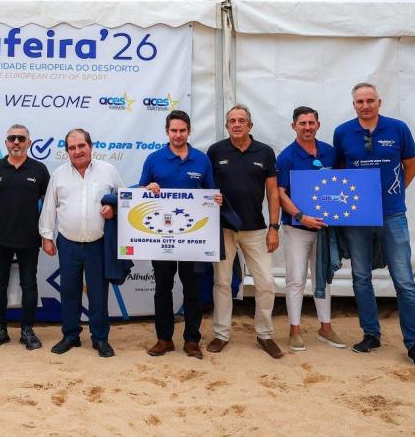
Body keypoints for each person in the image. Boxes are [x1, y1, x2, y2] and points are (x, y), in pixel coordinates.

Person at [333, 83, 415, 368]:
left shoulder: (398, 128)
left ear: (379, 102)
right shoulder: (343, 132)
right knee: (361, 277)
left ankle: (414, 343)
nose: (365, 105)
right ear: (354, 105)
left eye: (370, 100)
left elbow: (411, 165)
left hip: (392, 214)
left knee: (403, 281)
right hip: (358, 216)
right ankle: (371, 334)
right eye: (360, 101)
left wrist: (396, 191)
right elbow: (340, 171)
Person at [140, 110, 222, 360]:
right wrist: (149, 188)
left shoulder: (201, 160)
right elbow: (142, 191)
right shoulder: (154, 159)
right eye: (174, 130)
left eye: (182, 130)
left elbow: (210, 193)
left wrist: (216, 198)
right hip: (162, 239)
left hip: (193, 240)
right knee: (162, 288)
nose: (178, 135)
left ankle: (192, 340)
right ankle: (164, 339)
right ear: (167, 132)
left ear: (189, 131)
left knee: (193, 289)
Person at [206, 104, 283, 359]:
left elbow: (273, 192)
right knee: (223, 282)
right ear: (227, 126)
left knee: (265, 284)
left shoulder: (265, 152)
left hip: (256, 230)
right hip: (223, 228)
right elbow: (207, 189)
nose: (236, 124)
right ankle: (221, 334)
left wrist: (274, 227)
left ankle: (265, 334)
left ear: (250, 125)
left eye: (241, 120)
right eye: (232, 121)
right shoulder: (216, 151)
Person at [39, 128, 123, 358]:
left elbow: (124, 200)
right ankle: (70, 336)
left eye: (81, 146)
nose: (77, 151)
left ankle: (100, 339)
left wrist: (113, 208)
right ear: (67, 151)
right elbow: (49, 206)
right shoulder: (58, 175)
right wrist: (46, 236)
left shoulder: (109, 171)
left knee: (98, 294)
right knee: (69, 292)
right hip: (67, 243)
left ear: (90, 146)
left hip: (98, 244)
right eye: (72, 148)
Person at [276, 106, 346, 352]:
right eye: (302, 123)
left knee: (323, 278)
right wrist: (300, 216)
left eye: (311, 123)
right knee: (295, 280)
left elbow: (341, 184)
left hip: (325, 229)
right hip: (297, 228)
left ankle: (325, 328)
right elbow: (280, 193)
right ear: (293, 126)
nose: (307, 127)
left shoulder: (329, 152)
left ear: (318, 124)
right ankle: (294, 330)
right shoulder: (286, 157)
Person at [0, 125, 50, 350]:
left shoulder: (39, 170)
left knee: (29, 285)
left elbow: (47, 204)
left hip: (29, 239)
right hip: (0, 238)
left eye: (21, 138)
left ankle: (27, 331)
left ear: (29, 142)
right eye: (12, 138)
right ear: (6, 142)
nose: (16, 142)